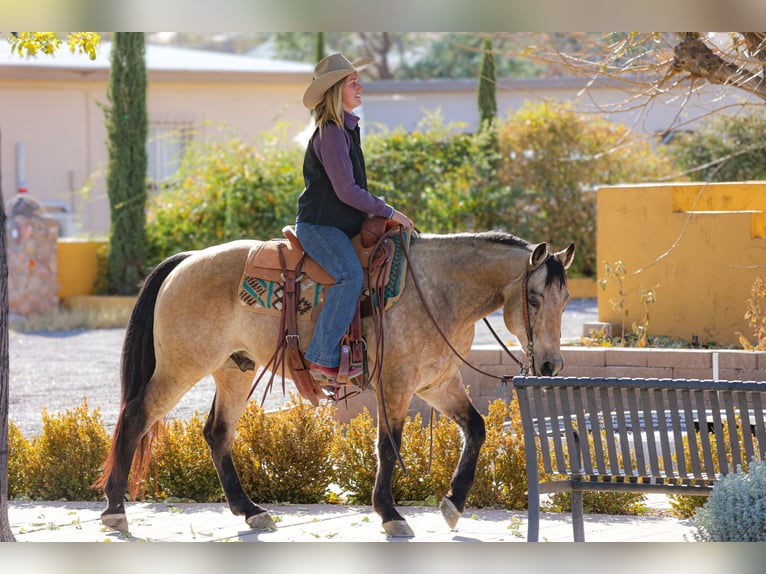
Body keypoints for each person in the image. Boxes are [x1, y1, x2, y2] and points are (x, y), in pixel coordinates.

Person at [296, 52, 414, 382]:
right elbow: (347, 191)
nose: (360, 86)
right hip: (319, 226)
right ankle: (322, 356)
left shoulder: (346, 130)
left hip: (337, 225)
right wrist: (390, 212)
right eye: (352, 82)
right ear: (336, 90)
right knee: (350, 275)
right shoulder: (332, 132)